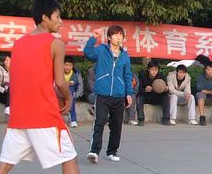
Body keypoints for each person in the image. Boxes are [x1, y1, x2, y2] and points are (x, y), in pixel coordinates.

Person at [0, 0, 106, 174]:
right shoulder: (55, 44)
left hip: (19, 116)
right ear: (45, 18)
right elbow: (60, 81)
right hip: (44, 114)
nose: (61, 21)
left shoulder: (19, 43)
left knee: (4, 163)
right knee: (69, 158)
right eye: (58, 16)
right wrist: (68, 97)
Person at [83, 25, 133, 163]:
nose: (118, 37)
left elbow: (127, 75)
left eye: (121, 35)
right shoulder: (101, 50)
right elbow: (88, 53)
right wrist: (93, 38)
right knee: (99, 122)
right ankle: (94, 152)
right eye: (115, 35)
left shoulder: (125, 56)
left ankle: (112, 152)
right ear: (109, 37)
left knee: (116, 125)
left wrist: (129, 93)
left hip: (119, 95)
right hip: (102, 94)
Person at [136, 60, 170, 126]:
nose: (154, 72)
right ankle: (141, 119)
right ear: (148, 69)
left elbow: (166, 88)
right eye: (152, 69)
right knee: (139, 98)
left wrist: (166, 89)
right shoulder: (142, 76)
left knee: (166, 97)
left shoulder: (161, 76)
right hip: (146, 96)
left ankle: (166, 119)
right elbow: (138, 89)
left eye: (156, 70)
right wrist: (145, 89)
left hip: (157, 96)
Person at [62, 56, 84, 128]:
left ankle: (73, 120)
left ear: (73, 66)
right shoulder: (59, 72)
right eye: (66, 65)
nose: (68, 67)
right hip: (60, 92)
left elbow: (80, 85)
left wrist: (77, 94)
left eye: (70, 65)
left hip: (71, 93)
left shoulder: (76, 73)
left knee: (71, 90)